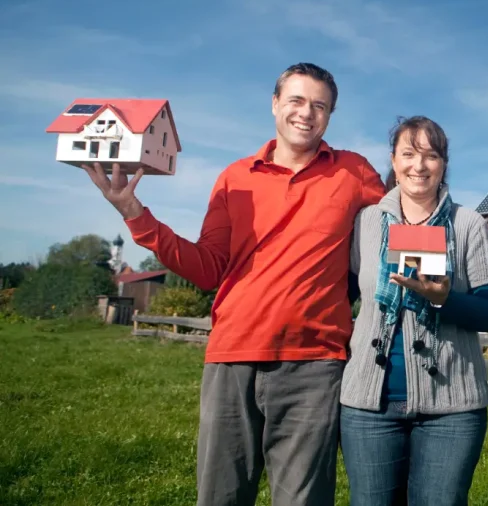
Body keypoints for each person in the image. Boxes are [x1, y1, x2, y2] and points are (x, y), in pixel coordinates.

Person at [83, 62, 386, 506]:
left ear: (330, 115)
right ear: (274, 105)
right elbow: (208, 268)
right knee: (221, 496)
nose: (307, 113)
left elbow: (397, 225)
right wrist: (134, 213)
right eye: (297, 101)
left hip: (316, 363)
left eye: (320, 106)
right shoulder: (235, 178)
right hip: (232, 357)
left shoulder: (353, 172)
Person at [339, 116, 488, 506]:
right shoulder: (365, 224)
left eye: (431, 156)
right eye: (409, 154)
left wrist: (444, 298)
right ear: (393, 161)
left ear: (443, 164)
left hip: (451, 409)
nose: (419, 165)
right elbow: (340, 297)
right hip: (369, 407)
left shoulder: (468, 224)